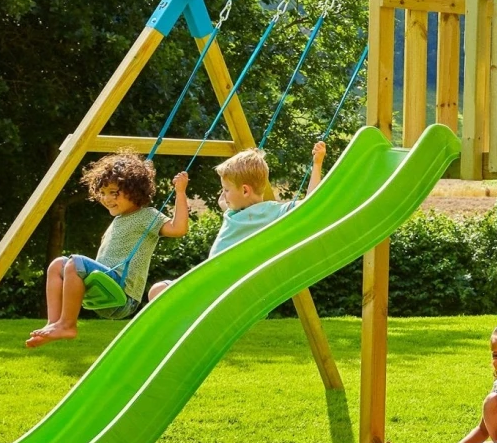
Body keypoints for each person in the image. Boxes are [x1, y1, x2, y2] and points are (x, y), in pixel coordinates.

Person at [27, 153, 190, 347]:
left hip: (122, 294)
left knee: (75, 262)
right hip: (104, 289)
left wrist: (180, 192)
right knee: (56, 265)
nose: (106, 198)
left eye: (113, 192)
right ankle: (53, 324)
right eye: (103, 192)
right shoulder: (117, 221)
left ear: (135, 190)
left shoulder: (147, 215)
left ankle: (67, 325)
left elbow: (179, 229)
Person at [146, 141, 327, 302]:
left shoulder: (272, 212)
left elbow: (311, 204)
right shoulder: (233, 211)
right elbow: (226, 204)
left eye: (226, 189)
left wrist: (317, 164)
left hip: (222, 286)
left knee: (159, 291)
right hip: (208, 281)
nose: (223, 195)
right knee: (157, 290)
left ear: (245, 191)